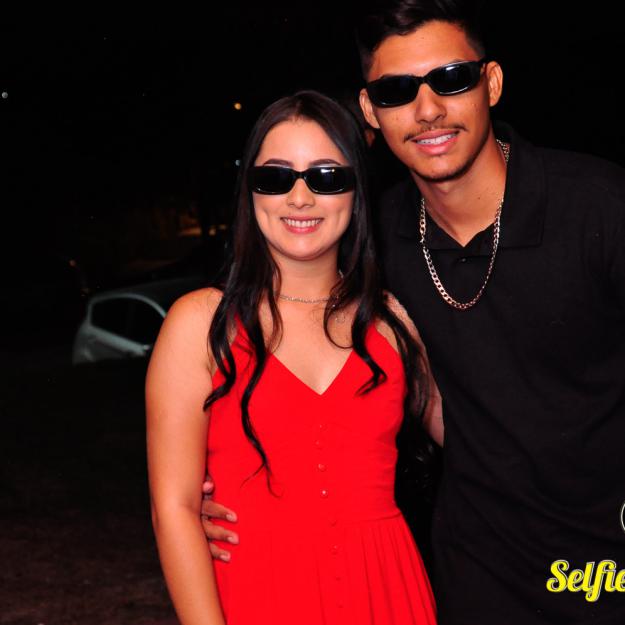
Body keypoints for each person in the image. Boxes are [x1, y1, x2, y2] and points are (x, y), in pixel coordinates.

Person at [201, 2, 625, 624]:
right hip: (478, 575)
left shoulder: (600, 208)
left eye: (451, 79)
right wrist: (222, 495)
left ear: (491, 83)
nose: (426, 110)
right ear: (371, 110)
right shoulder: (372, 243)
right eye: (396, 90)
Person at [146, 89, 441, 625]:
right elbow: (174, 510)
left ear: (356, 191)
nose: (299, 197)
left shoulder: (393, 321)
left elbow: (486, 446)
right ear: (250, 191)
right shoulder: (200, 324)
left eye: (326, 177)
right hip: (257, 596)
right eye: (276, 177)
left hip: (389, 595)